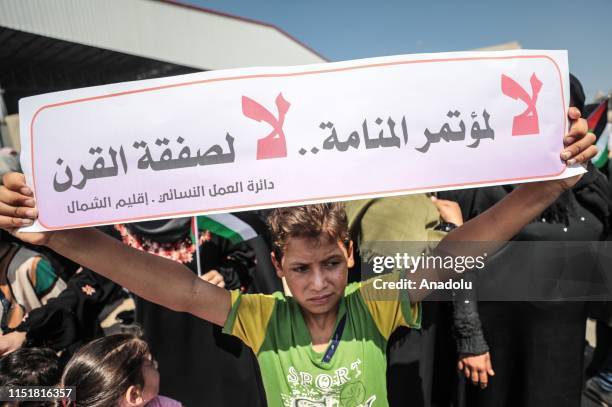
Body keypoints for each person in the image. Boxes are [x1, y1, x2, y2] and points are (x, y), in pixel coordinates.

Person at [0, 107, 596, 405]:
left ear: (352, 258)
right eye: (301, 269)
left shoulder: (376, 305)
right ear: (278, 267)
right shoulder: (263, 320)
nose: (319, 284)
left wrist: (547, 186)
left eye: (332, 264)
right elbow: (171, 287)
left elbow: (460, 251)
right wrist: (59, 237)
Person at [60, 334, 181, 407]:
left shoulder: (71, 395)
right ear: (134, 395)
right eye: (151, 363)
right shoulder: (160, 404)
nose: (156, 364)